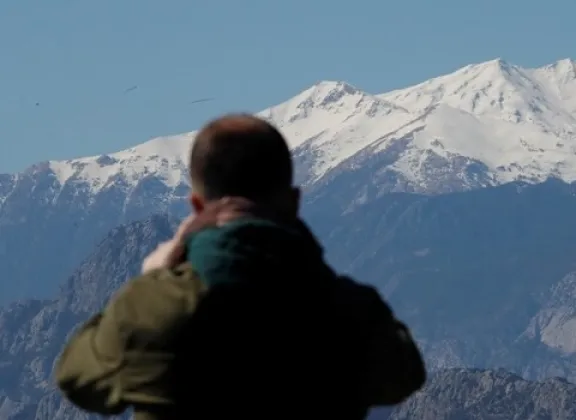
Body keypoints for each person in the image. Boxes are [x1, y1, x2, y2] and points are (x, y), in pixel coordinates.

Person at [54, 114, 427, 420]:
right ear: (294, 203)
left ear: (197, 208)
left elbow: (77, 377)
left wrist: (152, 281)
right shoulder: (350, 314)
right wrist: (310, 264)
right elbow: (404, 375)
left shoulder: (154, 311)